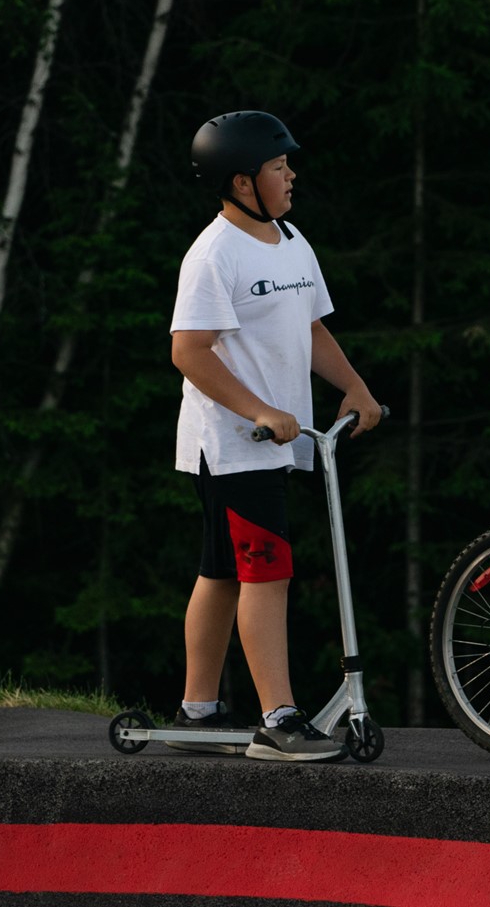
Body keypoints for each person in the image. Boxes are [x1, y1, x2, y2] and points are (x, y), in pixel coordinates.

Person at [167, 110, 384, 762]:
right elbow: (189, 351)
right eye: (277, 166)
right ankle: (279, 718)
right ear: (240, 181)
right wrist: (258, 408)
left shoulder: (290, 239)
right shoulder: (214, 254)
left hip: (272, 442)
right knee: (267, 574)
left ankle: (197, 708)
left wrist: (355, 386)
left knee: (222, 571)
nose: (291, 174)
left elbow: (311, 328)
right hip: (234, 446)